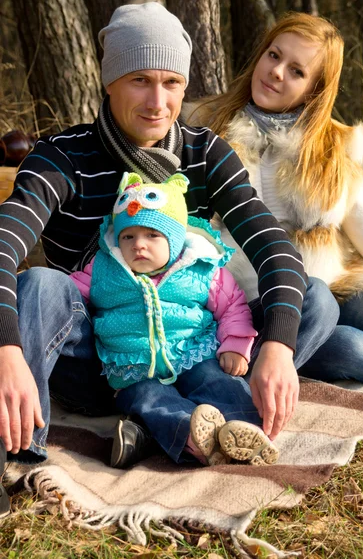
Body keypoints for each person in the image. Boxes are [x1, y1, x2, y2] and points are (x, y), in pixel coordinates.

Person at [0, 3, 339, 511]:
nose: (158, 102)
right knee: (40, 284)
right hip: (101, 355)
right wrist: (6, 349)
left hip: (196, 348)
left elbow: (273, 245)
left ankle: (179, 419)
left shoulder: (206, 154)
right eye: (139, 79)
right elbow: (6, 239)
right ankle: (21, 453)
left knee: (315, 301)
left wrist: (278, 349)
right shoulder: (62, 155)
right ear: (110, 80)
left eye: (171, 82)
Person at [186, 11, 363, 384]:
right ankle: (251, 375)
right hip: (253, 306)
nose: (276, 71)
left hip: (334, 293)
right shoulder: (207, 130)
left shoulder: (335, 149)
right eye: (273, 55)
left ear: (315, 90)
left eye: (297, 71)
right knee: (351, 347)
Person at [70, 171, 280, 467]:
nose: (138, 245)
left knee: (218, 382)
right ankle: (196, 439)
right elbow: (68, 296)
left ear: (175, 238)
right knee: (151, 402)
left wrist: (234, 344)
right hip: (133, 369)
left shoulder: (199, 268)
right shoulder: (104, 270)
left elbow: (232, 305)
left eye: (152, 235)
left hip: (194, 353)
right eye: (128, 236)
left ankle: (245, 430)